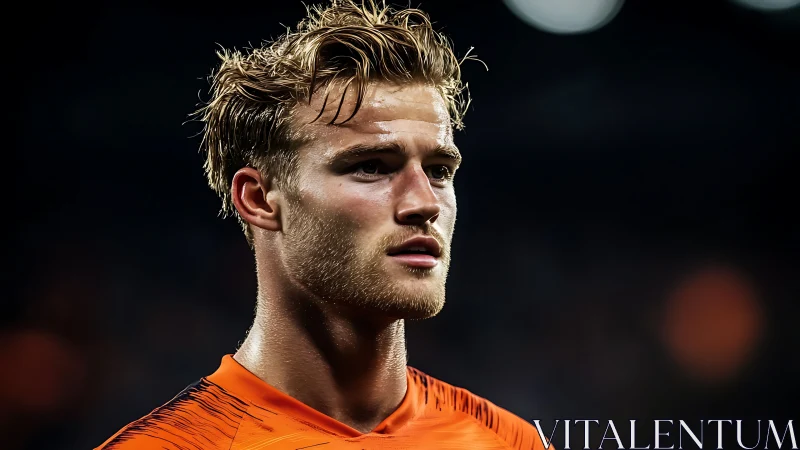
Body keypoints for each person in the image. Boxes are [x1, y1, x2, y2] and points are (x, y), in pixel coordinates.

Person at [97, 1, 550, 448]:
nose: (424, 203)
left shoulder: (510, 441)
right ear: (258, 199)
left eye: (438, 171)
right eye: (372, 166)